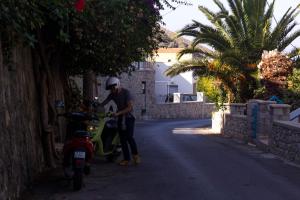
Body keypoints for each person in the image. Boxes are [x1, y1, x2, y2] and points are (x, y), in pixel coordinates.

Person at [100, 77, 140, 166]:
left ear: (117, 85)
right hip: (120, 117)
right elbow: (104, 103)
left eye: (113, 88)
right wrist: (96, 107)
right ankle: (126, 159)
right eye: (110, 89)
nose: (111, 90)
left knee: (129, 137)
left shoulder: (126, 93)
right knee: (122, 139)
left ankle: (136, 156)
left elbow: (130, 108)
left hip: (129, 117)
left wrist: (118, 113)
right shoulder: (112, 94)